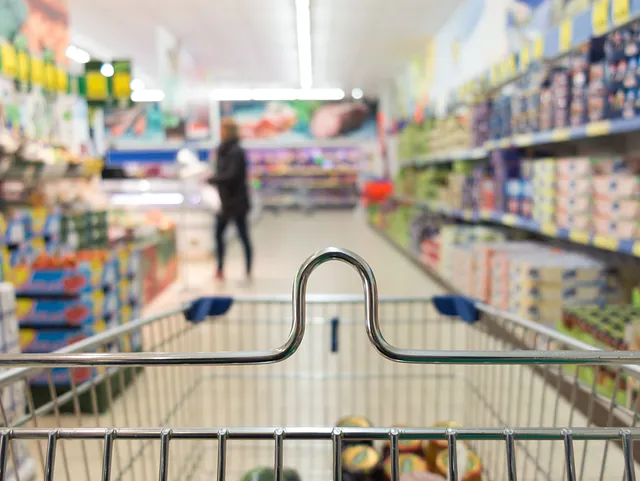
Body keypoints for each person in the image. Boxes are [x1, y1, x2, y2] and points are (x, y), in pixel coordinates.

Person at [209, 118, 252, 282]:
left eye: (223, 129)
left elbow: (232, 176)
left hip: (237, 202)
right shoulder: (221, 150)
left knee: (243, 236)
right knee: (219, 235)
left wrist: (213, 180)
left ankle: (248, 270)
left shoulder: (236, 151)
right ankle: (220, 269)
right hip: (224, 202)